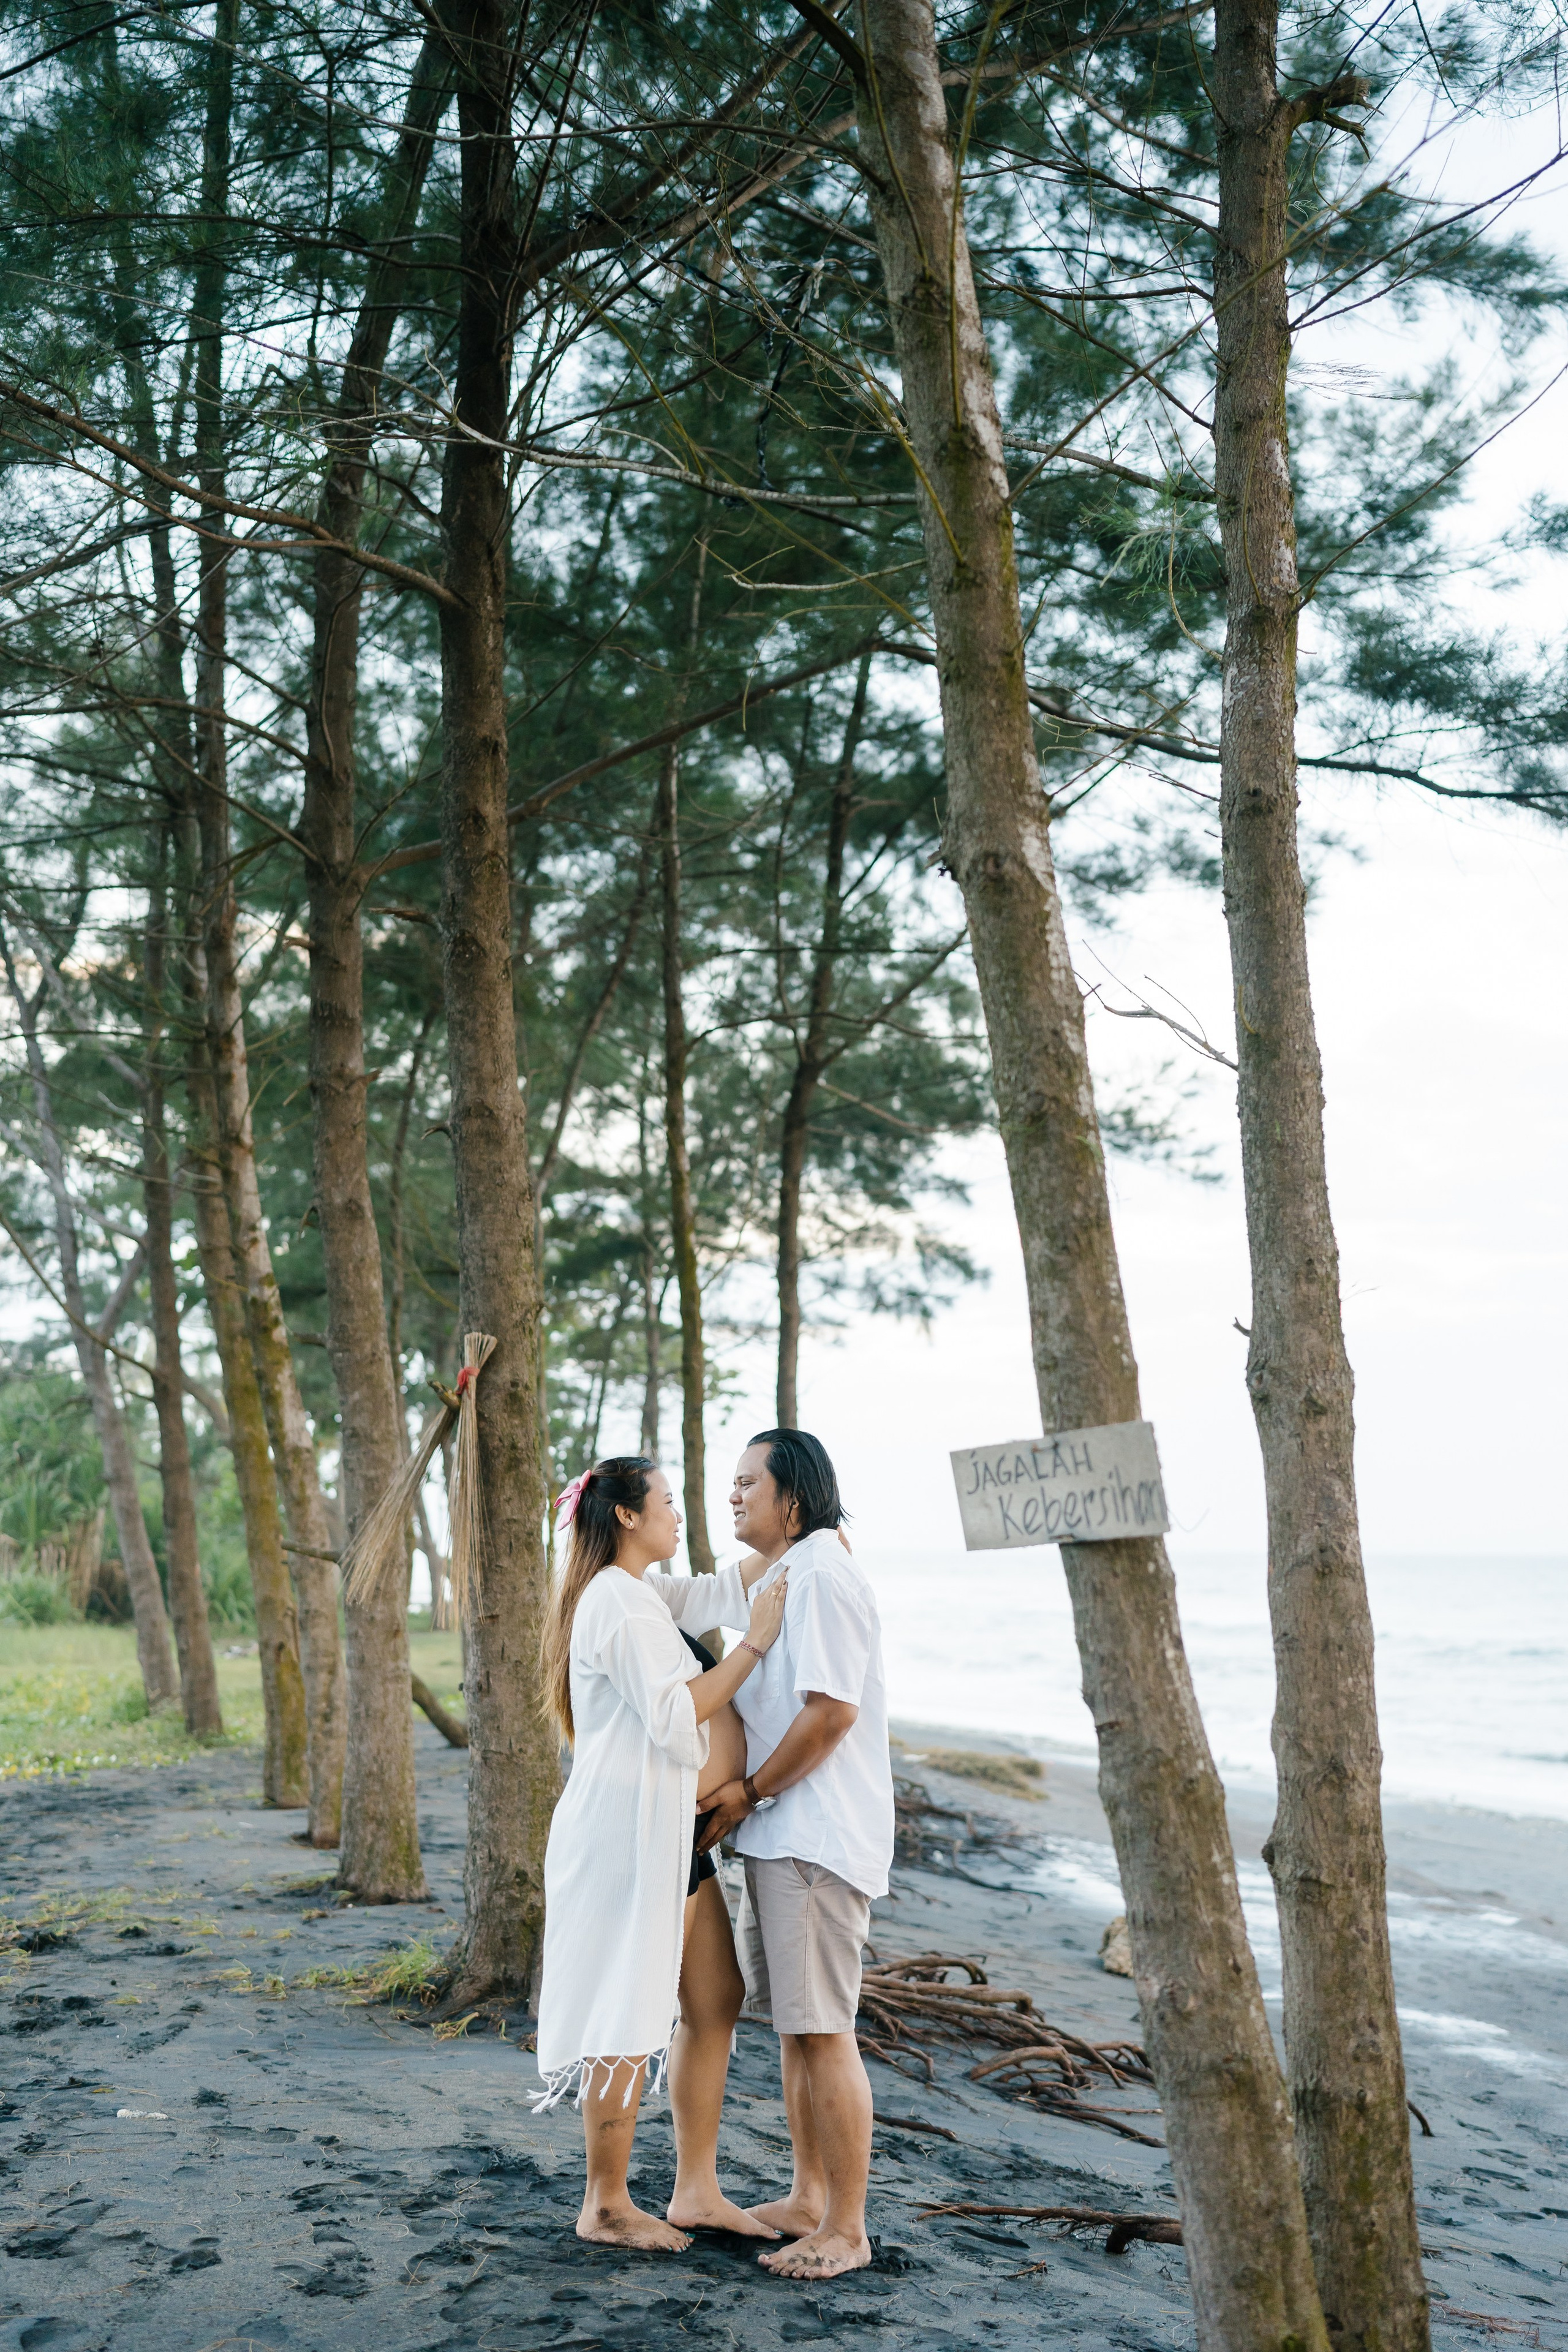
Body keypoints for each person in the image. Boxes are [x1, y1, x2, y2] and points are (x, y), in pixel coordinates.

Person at [533, 1457, 790, 2251]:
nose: (683, 1516)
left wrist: (799, 1531)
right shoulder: (613, 1601)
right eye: (670, 1504)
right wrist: (755, 1648)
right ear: (626, 1518)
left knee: (714, 1998)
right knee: (627, 2006)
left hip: (671, 1832)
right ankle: (606, 2203)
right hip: (629, 1836)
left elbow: (722, 1587)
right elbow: (676, 1717)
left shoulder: (641, 1592)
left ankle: (696, 2189)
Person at [685, 1429, 894, 2282]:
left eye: (747, 1484)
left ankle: (846, 2228)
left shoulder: (821, 1574)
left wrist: (750, 1792)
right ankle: (809, 2199)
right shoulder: (783, 1575)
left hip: (813, 1835)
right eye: (728, 1484)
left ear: (793, 1499)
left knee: (824, 2030)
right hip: (779, 1838)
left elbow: (831, 1713)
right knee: (795, 2032)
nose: (732, 1497)